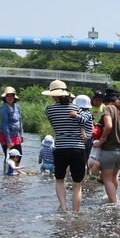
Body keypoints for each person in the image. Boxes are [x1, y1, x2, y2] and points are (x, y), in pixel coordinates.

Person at [43, 80, 92, 212]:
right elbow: (83, 125)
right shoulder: (77, 109)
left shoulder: (49, 110)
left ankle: (64, 208)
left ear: (54, 95)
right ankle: (75, 212)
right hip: (78, 148)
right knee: (77, 184)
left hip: (60, 148)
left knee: (59, 180)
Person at [92, 88, 120, 203]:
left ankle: (114, 204)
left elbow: (108, 126)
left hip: (110, 150)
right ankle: (113, 198)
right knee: (114, 176)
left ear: (106, 100)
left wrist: (102, 139)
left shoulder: (108, 108)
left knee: (107, 178)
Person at [0, 86, 24, 171]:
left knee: (19, 155)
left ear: (14, 97)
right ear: (5, 97)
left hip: (15, 134)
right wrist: (8, 140)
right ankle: (7, 173)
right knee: (9, 155)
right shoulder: (3, 108)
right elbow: (4, 124)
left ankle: (14, 170)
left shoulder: (17, 106)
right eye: (8, 96)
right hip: (5, 134)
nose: (10, 98)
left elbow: (20, 121)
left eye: (11, 96)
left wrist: (21, 134)